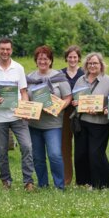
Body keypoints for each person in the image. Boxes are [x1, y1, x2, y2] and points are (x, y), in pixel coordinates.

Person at [0, 37, 35, 191]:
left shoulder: (18, 68)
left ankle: (28, 181)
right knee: (1, 150)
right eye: (2, 49)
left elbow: (24, 92)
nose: (5, 52)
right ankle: (6, 180)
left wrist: (25, 109)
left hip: (18, 115)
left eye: (8, 49)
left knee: (27, 146)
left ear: (11, 50)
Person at [26, 45, 72, 190]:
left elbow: (68, 97)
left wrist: (58, 107)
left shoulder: (59, 77)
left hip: (53, 124)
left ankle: (59, 185)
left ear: (51, 60)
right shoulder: (30, 78)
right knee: (38, 157)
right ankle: (43, 184)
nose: (43, 61)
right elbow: (25, 97)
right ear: (36, 61)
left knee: (55, 155)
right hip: (34, 124)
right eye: (40, 59)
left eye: (46, 59)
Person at [72, 52, 109, 189]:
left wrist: (103, 109)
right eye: (90, 63)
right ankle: (84, 183)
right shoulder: (80, 80)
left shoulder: (108, 81)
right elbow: (75, 99)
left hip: (100, 123)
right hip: (82, 122)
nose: (92, 66)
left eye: (95, 63)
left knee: (96, 154)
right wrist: (76, 103)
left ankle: (102, 184)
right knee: (81, 154)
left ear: (101, 65)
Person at [60, 45, 84, 185]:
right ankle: (67, 178)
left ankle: (81, 179)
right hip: (64, 113)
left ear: (79, 58)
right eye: (70, 57)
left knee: (80, 147)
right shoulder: (59, 74)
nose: (72, 59)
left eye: (75, 57)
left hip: (81, 114)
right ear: (66, 58)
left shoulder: (84, 73)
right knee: (65, 147)